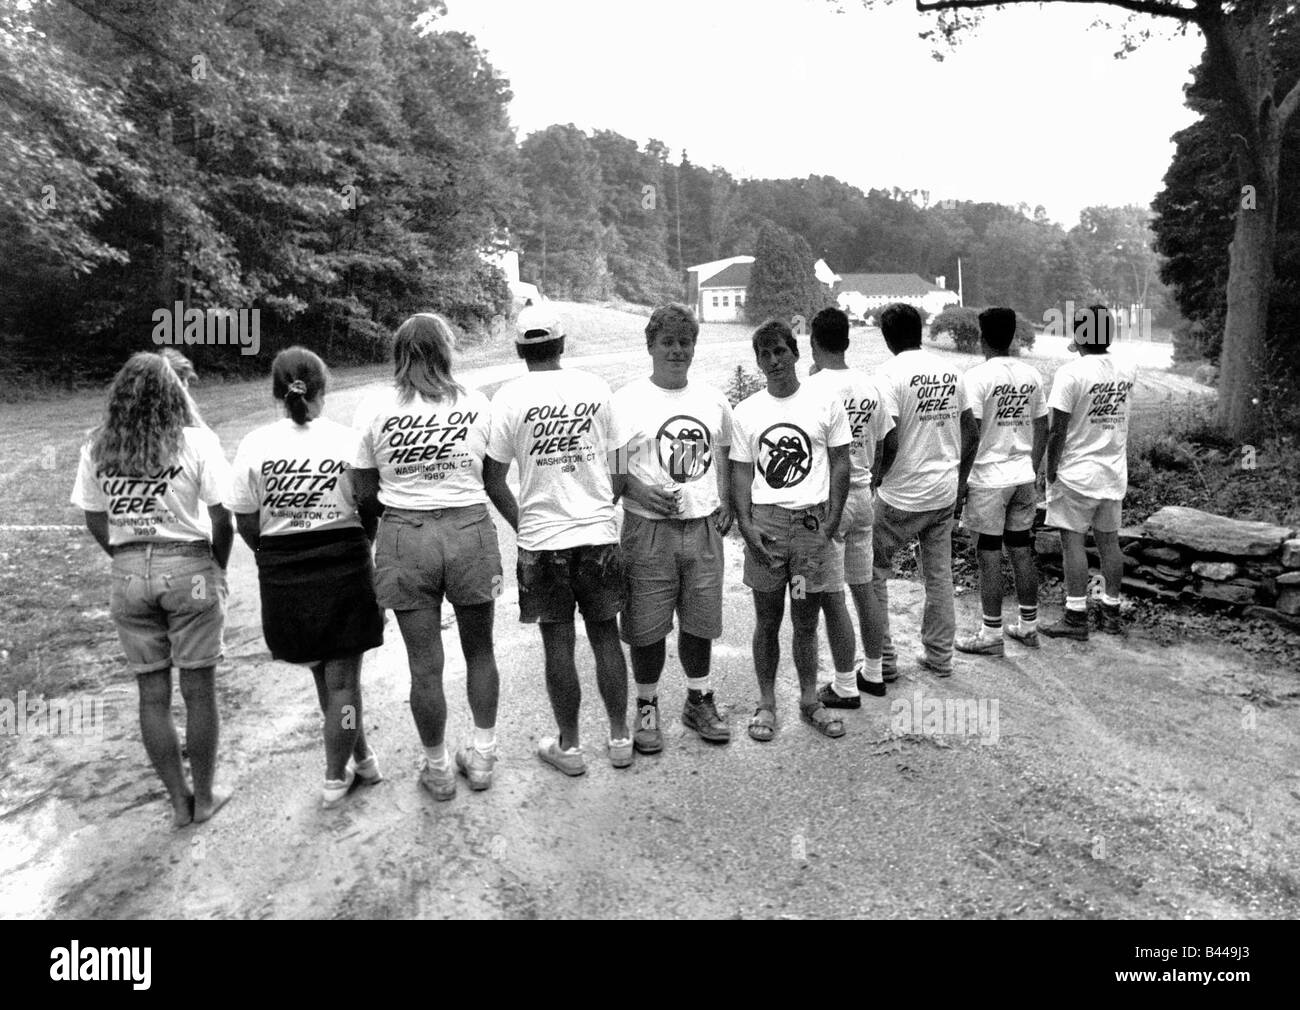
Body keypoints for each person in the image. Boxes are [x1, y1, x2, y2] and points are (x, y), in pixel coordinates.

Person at [70, 352, 233, 828]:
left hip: (127, 572)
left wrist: (123, 559)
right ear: (174, 394)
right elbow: (223, 516)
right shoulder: (195, 441)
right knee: (200, 691)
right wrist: (216, 568)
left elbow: (94, 517)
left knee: (152, 695)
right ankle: (203, 798)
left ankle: (178, 802)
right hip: (189, 567)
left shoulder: (99, 445)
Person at [352, 313, 503, 800]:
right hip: (468, 529)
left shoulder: (374, 408)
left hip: (406, 535)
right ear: (447, 351)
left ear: (400, 353)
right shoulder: (478, 403)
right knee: (480, 649)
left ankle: (437, 767)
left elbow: (362, 490)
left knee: (424, 664)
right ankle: (481, 756)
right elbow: (492, 472)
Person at [228, 347, 385, 808]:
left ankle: (366, 761)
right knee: (342, 682)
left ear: (277, 392)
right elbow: (369, 506)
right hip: (343, 560)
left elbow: (245, 520)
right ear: (324, 388)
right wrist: (363, 547)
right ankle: (335, 778)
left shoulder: (256, 444)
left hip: (284, 569)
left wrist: (272, 554)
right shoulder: (345, 439)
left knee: (330, 679)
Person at [482, 304, 631, 775]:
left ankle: (569, 747)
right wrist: (605, 504)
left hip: (543, 540)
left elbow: (492, 478)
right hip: (597, 533)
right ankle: (620, 736)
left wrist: (523, 525)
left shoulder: (508, 399)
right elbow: (622, 461)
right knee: (606, 635)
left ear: (520, 349)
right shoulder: (595, 387)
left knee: (558, 645)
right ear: (562, 345)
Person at [609, 304, 734, 754]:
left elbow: (727, 454)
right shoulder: (626, 401)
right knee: (646, 626)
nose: (677, 350)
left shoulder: (713, 400)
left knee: (699, 623)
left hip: (701, 529)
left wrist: (729, 504)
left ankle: (698, 699)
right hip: (648, 531)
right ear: (650, 346)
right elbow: (615, 469)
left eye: (685, 342)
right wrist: (640, 494)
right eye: (668, 342)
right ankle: (647, 706)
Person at [730, 319, 852, 742]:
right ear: (758, 361)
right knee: (767, 619)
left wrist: (832, 520)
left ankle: (808, 700)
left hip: (808, 530)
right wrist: (746, 526)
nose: (773, 360)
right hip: (768, 529)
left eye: (780, 351)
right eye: (764, 354)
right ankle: (766, 704)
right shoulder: (747, 412)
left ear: (796, 353)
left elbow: (840, 462)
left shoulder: (824, 404)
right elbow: (741, 474)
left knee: (804, 619)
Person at [803, 307, 893, 706]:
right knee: (864, 588)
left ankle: (844, 684)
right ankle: (873, 672)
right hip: (864, 491)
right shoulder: (870, 386)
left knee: (831, 595)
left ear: (813, 343)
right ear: (847, 341)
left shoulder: (813, 389)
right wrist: (875, 475)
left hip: (829, 499)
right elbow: (890, 440)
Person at [871, 303, 967, 678]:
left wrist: (878, 478)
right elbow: (970, 433)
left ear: (887, 337)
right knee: (939, 576)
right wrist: (959, 481)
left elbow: (889, 439)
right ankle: (940, 656)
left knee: (874, 571)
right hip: (943, 490)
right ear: (921, 330)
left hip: (901, 494)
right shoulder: (951, 371)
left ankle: (883, 661)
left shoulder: (887, 374)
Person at [954, 308, 1048, 655]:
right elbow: (1043, 426)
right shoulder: (1031, 375)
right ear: (1011, 336)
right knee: (1021, 550)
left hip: (989, 480)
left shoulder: (976, 378)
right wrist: (1032, 468)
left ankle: (991, 634)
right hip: (1022, 474)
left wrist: (960, 482)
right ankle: (1028, 626)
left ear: (982, 338)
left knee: (989, 555)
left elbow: (972, 435)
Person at [1041, 305, 1136, 640]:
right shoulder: (1127, 369)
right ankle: (1111, 612)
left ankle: (1076, 615)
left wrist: (1049, 471)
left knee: (1073, 545)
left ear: (1079, 336)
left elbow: (1056, 431)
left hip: (1076, 475)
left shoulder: (1070, 374)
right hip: (1112, 472)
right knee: (1110, 544)